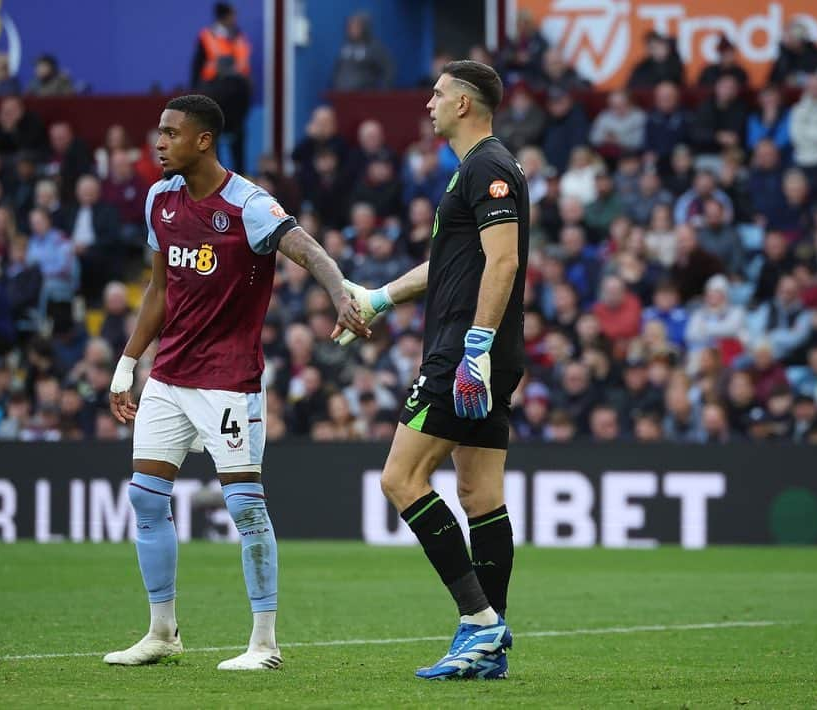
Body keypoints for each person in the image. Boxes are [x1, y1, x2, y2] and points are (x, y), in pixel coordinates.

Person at [103, 95, 367, 670]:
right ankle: (162, 631)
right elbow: (160, 292)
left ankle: (264, 644)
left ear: (203, 140)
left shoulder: (248, 204)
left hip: (229, 382)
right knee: (145, 497)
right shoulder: (160, 199)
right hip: (169, 375)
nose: (159, 142)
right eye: (159, 132)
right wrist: (128, 364)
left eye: (171, 133)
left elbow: (307, 248)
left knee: (245, 508)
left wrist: (339, 291)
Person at [336, 60, 523, 680]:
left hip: (465, 351)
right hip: (483, 349)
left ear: (465, 104)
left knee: (400, 478)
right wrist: (380, 298)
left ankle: (480, 622)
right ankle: (488, 644)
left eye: (438, 94)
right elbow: (450, 266)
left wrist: (475, 346)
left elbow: (503, 263)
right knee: (478, 493)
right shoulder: (476, 170)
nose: (429, 104)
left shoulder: (487, 167)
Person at [192, 3, 253, 174]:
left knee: (238, 142)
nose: (235, 18)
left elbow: (245, 69)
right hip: (215, 95)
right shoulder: (206, 37)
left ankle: (240, 179)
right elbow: (197, 68)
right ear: (225, 16)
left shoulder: (239, 37)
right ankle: (215, 178)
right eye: (233, 15)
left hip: (237, 99)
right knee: (212, 139)